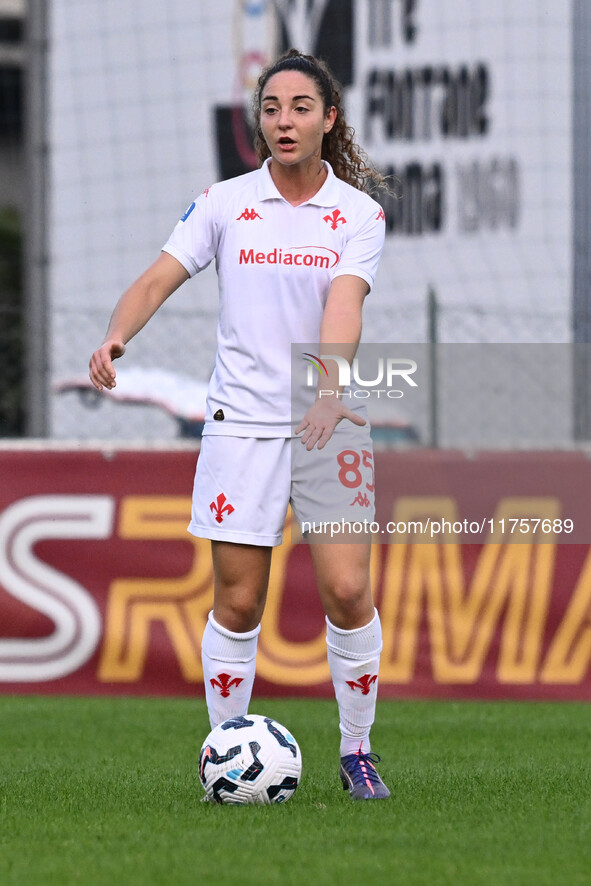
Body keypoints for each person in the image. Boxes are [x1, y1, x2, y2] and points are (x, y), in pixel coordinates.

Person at [89, 49, 390, 801]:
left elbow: (343, 306)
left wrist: (327, 390)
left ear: (328, 119)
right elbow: (158, 276)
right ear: (258, 121)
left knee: (348, 592)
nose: (282, 121)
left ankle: (356, 751)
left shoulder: (359, 214)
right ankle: (225, 750)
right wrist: (117, 335)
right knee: (238, 603)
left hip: (327, 421)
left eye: (298, 108)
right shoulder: (224, 202)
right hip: (238, 427)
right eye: (270, 108)